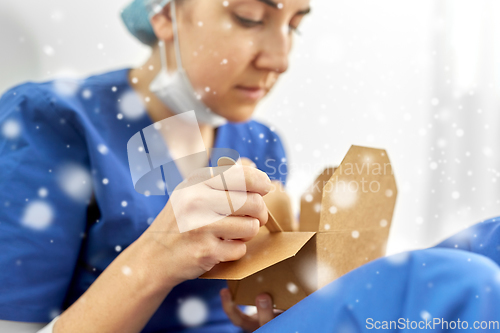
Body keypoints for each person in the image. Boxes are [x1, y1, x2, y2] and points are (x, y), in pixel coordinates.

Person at [0, 0, 311, 332]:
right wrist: (159, 256)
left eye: (293, 25)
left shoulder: (262, 145)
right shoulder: (49, 123)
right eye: (248, 19)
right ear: (163, 14)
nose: (280, 60)